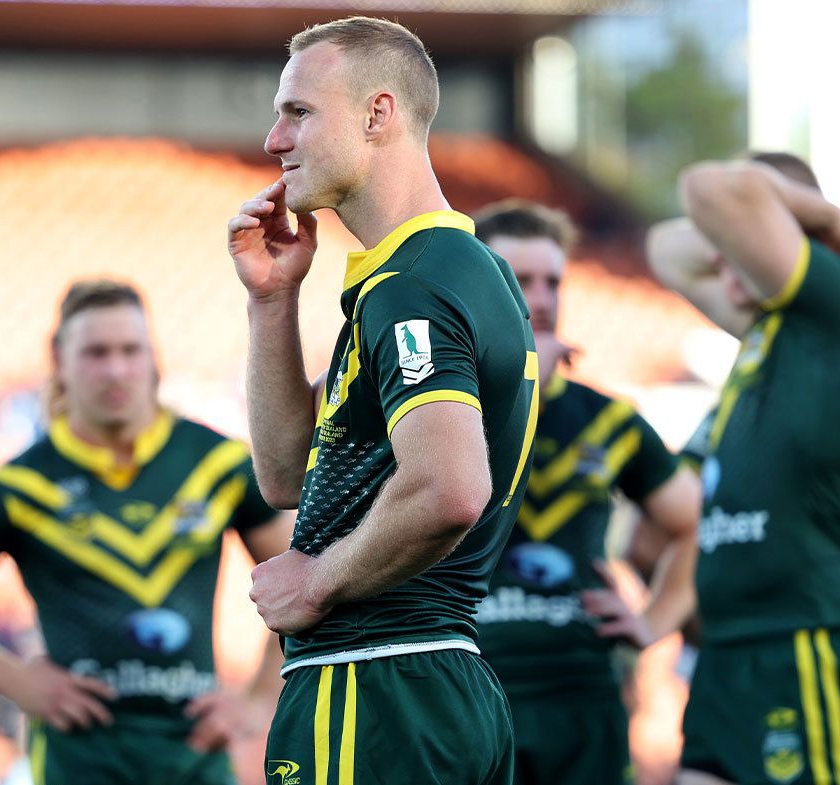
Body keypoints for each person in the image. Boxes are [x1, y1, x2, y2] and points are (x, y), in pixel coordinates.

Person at [226, 16, 537, 785]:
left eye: (298, 110)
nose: (274, 139)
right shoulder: (438, 269)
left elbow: (451, 487)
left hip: (376, 682)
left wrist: (316, 578)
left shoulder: (413, 285)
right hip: (429, 681)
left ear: (377, 114)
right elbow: (286, 478)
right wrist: (273, 304)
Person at [0, 280, 290, 784]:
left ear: (153, 358)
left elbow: (305, 573)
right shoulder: (24, 484)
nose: (116, 368)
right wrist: (17, 682)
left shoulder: (217, 464)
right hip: (78, 760)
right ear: (59, 360)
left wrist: (257, 699)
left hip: (194, 757)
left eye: (130, 350)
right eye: (97, 353)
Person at [646, 159, 840, 785]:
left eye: (738, 241)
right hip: (727, 653)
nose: (719, 261)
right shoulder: (766, 329)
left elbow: (705, 187)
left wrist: (827, 219)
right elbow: (665, 249)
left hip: (804, 646)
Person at [470, 199, 700, 785]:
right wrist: (515, 381)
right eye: (520, 281)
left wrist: (654, 622)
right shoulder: (438, 405)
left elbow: (697, 522)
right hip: (473, 689)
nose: (542, 299)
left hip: (585, 694)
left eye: (553, 281)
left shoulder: (609, 421)